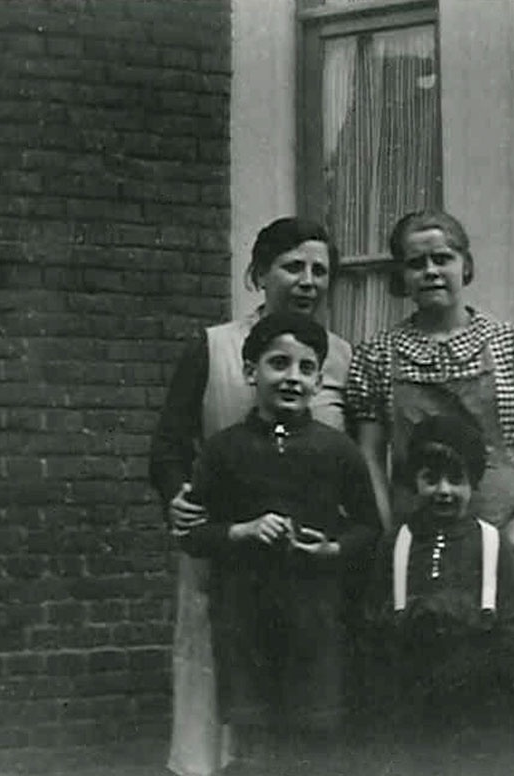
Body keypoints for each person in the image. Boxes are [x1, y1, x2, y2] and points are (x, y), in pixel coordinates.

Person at [346, 209, 514, 760]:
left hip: (506, 538)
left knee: (511, 702)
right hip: (419, 548)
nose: (430, 271)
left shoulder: (511, 341)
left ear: (466, 266)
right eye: (416, 262)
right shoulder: (376, 354)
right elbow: (368, 456)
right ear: (400, 278)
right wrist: (390, 539)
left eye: (442, 258)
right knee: (423, 712)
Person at [149, 217, 351, 776]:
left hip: (302, 561)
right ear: (259, 274)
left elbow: (349, 454)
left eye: (320, 271)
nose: (308, 281)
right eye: (292, 267)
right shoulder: (213, 347)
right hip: (224, 549)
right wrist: (178, 496)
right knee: (216, 692)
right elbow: (167, 445)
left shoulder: (338, 356)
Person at [179, 311, 379, 776]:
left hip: (318, 625)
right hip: (244, 623)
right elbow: (192, 533)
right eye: (278, 363)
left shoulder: (338, 450)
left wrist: (333, 550)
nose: (293, 378)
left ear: (318, 380)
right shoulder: (223, 450)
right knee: (255, 750)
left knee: (314, 748)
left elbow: (369, 529)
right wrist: (240, 531)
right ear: (251, 372)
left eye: (306, 368)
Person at [363, 413, 514, 776]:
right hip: (412, 702)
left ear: (473, 485)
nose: (444, 490)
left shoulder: (490, 542)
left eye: (457, 480)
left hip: (479, 708)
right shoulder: (397, 542)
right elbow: (374, 621)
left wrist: (506, 698)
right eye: (430, 479)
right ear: (414, 482)